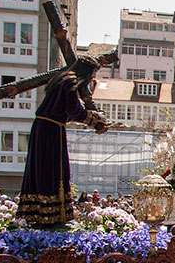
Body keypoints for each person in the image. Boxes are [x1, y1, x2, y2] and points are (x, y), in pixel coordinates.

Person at [16, 56, 108, 226]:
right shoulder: (70, 82)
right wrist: (96, 120)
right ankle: (51, 215)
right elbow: (74, 110)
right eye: (92, 75)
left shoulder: (61, 79)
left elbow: (64, 110)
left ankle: (39, 212)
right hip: (51, 131)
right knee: (53, 169)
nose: (92, 79)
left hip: (44, 127)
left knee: (43, 168)